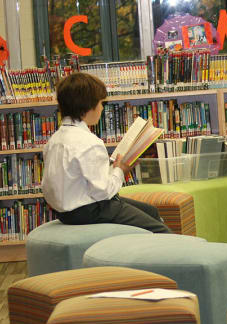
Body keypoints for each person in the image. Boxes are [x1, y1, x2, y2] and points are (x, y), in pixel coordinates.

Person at [42, 72, 171, 233]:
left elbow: (82, 179)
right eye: (101, 103)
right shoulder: (89, 143)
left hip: (65, 212)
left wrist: (111, 169)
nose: (102, 108)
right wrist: (120, 170)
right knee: (160, 230)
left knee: (151, 211)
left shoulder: (54, 140)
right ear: (89, 106)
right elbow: (104, 192)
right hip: (90, 210)